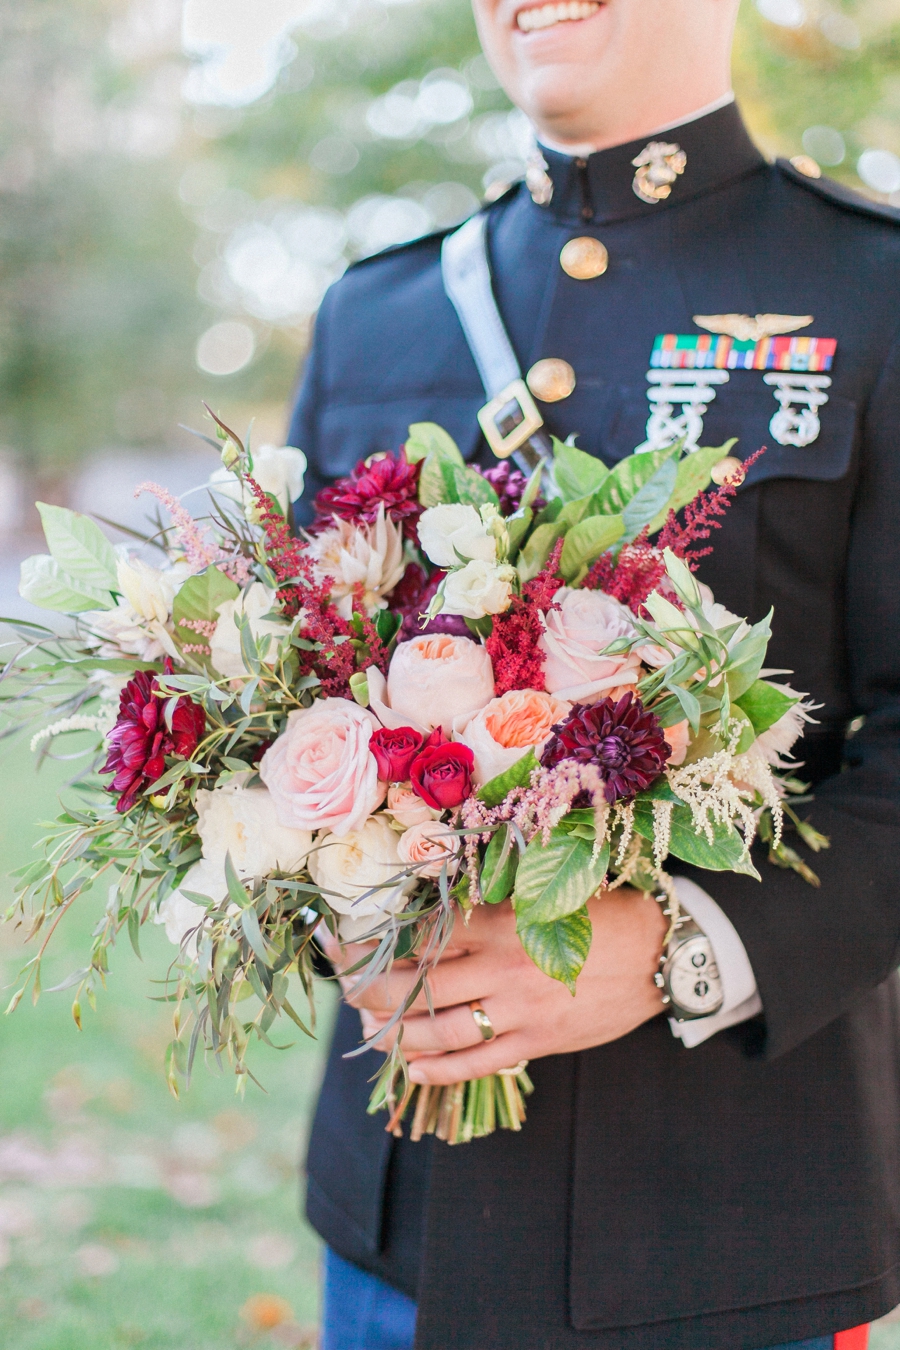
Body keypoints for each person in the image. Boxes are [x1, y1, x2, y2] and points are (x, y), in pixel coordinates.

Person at [288, 0, 900, 1346]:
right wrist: (323, 899)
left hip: (729, 1238)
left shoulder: (875, 290)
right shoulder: (374, 311)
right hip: (400, 1230)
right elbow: (282, 700)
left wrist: (683, 947)